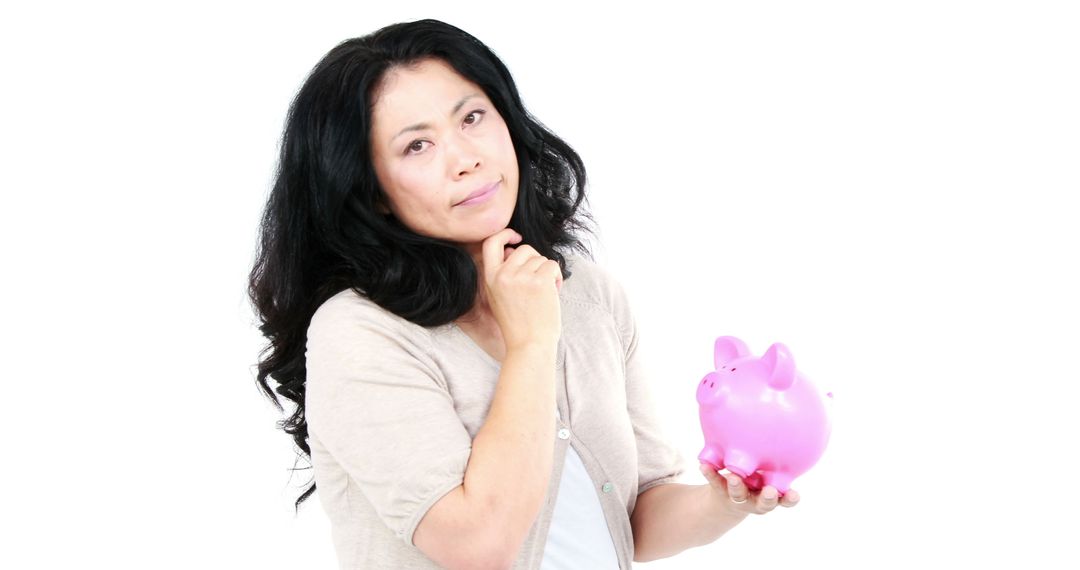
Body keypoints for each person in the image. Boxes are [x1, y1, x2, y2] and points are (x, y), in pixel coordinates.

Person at [248, 18, 799, 570]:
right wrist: (532, 343)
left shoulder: (589, 294)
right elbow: (477, 545)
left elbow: (630, 523)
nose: (466, 157)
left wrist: (726, 500)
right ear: (373, 193)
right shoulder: (358, 332)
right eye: (417, 145)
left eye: (472, 117)